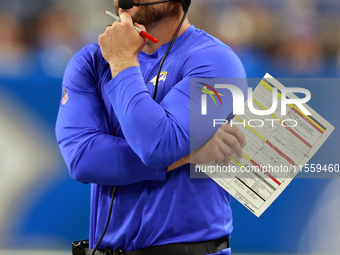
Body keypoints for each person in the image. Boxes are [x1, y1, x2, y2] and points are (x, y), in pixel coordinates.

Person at [55, 0, 247, 254]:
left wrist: (123, 60)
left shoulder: (216, 60)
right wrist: (187, 155)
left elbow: (156, 145)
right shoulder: (91, 61)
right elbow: (83, 160)